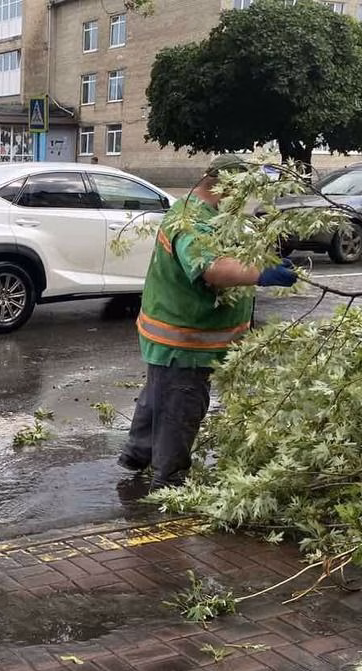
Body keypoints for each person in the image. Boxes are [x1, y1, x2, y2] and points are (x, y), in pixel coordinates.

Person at [118, 154, 297, 488]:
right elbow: (210, 268)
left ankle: (138, 454)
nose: (241, 200)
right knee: (181, 407)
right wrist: (262, 273)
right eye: (240, 192)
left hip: (175, 337)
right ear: (225, 186)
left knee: (161, 394)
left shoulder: (202, 213)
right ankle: (168, 484)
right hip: (186, 342)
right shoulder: (190, 221)